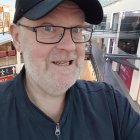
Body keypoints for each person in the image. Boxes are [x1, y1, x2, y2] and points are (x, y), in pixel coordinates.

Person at [0, 0, 140, 139]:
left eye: (77, 29)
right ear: (17, 38)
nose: (70, 46)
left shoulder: (111, 105)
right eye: (48, 28)